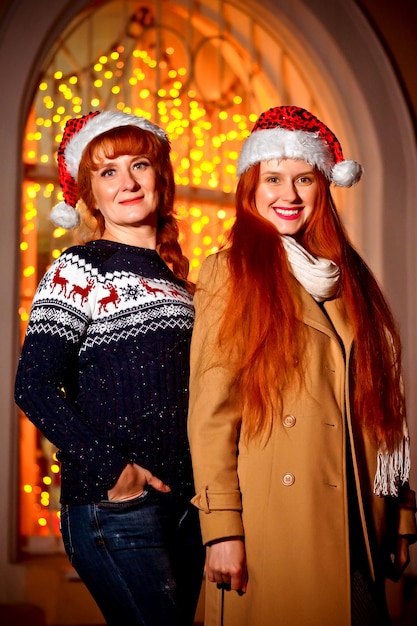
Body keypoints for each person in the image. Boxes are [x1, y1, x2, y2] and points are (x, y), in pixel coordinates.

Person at [187, 105, 417, 626]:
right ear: (251, 187)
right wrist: (221, 529)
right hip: (276, 525)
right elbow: (212, 411)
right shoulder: (231, 271)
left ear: (324, 187)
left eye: (304, 179)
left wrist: (401, 515)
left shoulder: (350, 277)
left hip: (359, 519)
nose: (287, 196)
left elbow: (382, 409)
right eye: (273, 179)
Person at [15, 110, 204, 626]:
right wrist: (117, 474)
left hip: (186, 508)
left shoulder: (179, 282)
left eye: (139, 165)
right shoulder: (79, 269)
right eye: (108, 172)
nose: (127, 182)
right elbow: (32, 386)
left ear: (159, 178)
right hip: (117, 507)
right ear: (89, 195)